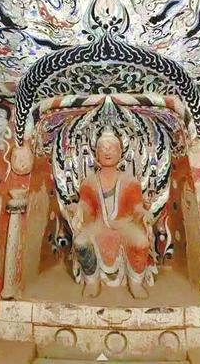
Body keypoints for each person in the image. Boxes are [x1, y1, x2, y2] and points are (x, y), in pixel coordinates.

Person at [67, 127, 153, 299]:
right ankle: (92, 281)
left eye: (112, 148)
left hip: (125, 225)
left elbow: (136, 207)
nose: (107, 152)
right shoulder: (89, 182)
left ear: (120, 153)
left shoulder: (130, 182)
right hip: (98, 225)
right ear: (96, 155)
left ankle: (135, 283)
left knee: (141, 242)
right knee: (81, 242)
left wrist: (144, 214)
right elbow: (86, 206)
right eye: (103, 148)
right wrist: (78, 209)